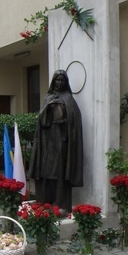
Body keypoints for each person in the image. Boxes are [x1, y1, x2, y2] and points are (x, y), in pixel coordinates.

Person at [29, 69, 83, 213]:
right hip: (47, 140)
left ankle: (60, 202)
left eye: (62, 80)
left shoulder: (69, 99)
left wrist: (64, 122)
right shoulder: (48, 97)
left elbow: (75, 120)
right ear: (53, 81)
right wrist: (48, 106)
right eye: (57, 80)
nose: (60, 82)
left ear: (66, 82)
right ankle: (45, 200)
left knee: (60, 170)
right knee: (46, 170)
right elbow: (41, 121)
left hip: (62, 139)